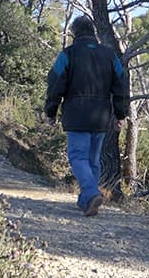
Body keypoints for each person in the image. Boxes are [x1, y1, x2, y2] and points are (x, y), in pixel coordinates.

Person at [43, 15, 130, 216]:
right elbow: (121, 85)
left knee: (77, 157)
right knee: (93, 161)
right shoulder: (110, 56)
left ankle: (91, 193)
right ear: (93, 33)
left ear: (74, 32)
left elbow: (55, 85)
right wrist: (120, 114)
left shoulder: (68, 54)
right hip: (101, 117)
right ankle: (86, 202)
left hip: (76, 115)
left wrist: (51, 112)